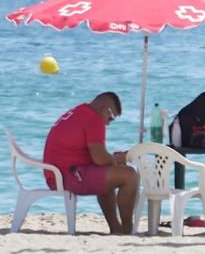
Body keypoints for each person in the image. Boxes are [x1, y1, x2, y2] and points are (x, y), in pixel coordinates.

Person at [43, 90, 140, 235]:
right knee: (130, 175)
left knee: (110, 171)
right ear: (105, 109)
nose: (108, 123)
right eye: (111, 118)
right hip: (67, 176)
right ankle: (127, 230)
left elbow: (97, 157)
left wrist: (113, 160)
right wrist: (119, 159)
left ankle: (115, 228)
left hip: (58, 174)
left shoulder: (80, 112)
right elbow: (99, 158)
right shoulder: (93, 119)